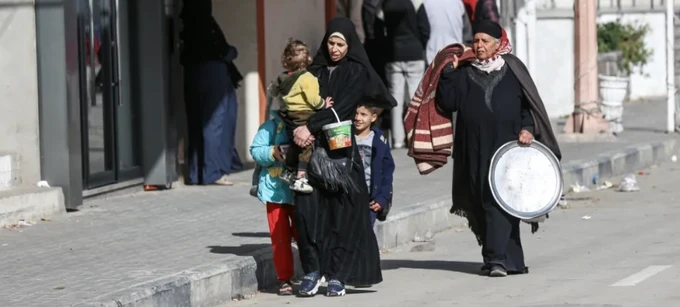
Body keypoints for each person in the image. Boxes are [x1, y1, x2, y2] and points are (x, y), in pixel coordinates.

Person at [435, 20, 561, 277]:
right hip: (472, 147)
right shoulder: (464, 72)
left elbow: (529, 107)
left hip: (507, 148)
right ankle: (510, 259)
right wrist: (447, 72)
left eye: (485, 41)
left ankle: (496, 260)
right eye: (475, 41)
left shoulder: (513, 70)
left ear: (497, 44)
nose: (479, 46)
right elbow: (448, 102)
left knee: (501, 200)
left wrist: (528, 129)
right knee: (479, 200)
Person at [287, 17, 397, 297]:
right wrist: (303, 129)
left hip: (342, 157)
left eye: (340, 44)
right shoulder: (316, 71)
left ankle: (338, 274)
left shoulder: (356, 71)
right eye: (331, 43)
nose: (334, 49)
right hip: (310, 155)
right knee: (307, 214)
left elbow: (345, 108)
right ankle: (312, 271)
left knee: (343, 217)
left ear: (349, 45)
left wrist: (309, 126)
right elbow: (301, 103)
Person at [180, 0, 243, 186]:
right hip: (213, 75)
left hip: (195, 74)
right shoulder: (204, 23)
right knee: (215, 122)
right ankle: (212, 172)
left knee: (199, 124)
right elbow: (220, 50)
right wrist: (231, 52)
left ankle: (198, 173)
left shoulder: (187, 23)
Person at [249, 108, 298, 296]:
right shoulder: (270, 127)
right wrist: (272, 152)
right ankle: (284, 278)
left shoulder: (308, 124)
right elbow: (255, 150)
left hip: (301, 191)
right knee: (280, 238)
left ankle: (312, 272)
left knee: (304, 234)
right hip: (274, 191)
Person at [275, 39, 331, 194]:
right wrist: (324, 105)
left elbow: (275, 92)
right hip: (305, 115)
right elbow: (313, 99)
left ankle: (287, 171)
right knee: (306, 146)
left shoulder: (283, 77)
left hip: (290, 115)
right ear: (308, 59)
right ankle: (300, 178)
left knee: (294, 143)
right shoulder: (308, 78)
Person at [382, 0, 430, 148]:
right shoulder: (416, 2)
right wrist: (418, 45)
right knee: (415, 97)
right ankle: (415, 137)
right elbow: (425, 29)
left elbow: (377, 30)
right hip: (414, 52)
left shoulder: (384, 4)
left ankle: (397, 140)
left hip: (393, 53)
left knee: (396, 97)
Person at [355, 104, 395, 227]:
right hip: (349, 200)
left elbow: (387, 173)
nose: (357, 118)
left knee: (365, 237)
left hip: (370, 201)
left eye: (363, 114)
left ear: (373, 117)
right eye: (356, 113)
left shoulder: (380, 141)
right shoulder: (347, 137)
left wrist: (382, 197)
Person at [422, 0, 468, 65]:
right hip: (455, 55)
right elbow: (466, 33)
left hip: (432, 56)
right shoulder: (458, 2)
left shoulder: (425, 3)